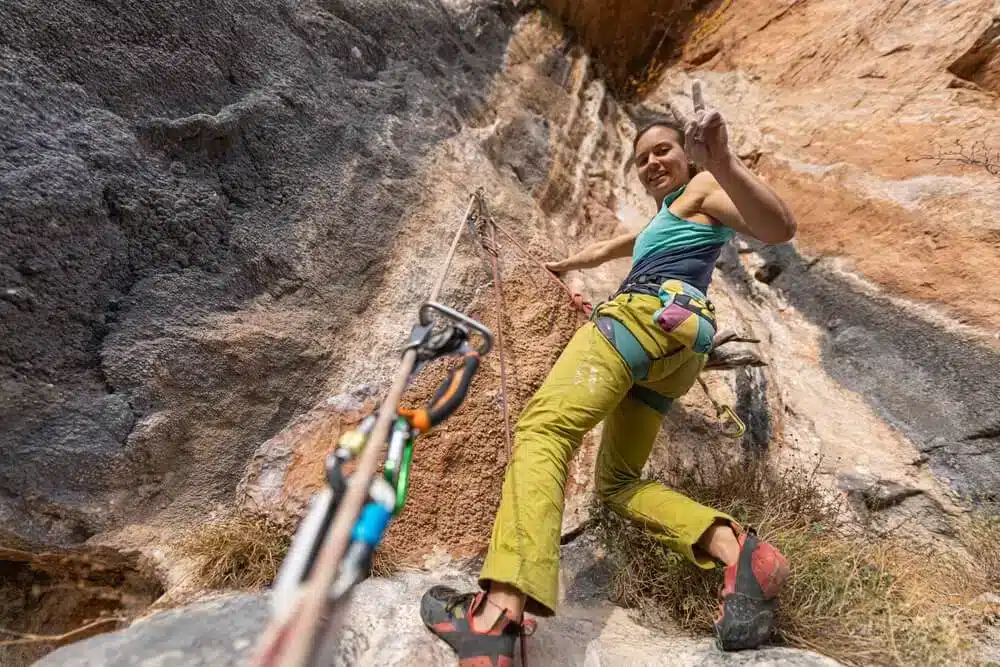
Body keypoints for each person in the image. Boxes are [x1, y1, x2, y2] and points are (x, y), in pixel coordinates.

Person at [420, 81, 798, 665]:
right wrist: (567, 266)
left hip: (641, 320)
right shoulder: (662, 221)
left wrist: (720, 162)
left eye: (663, 150)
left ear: (688, 155)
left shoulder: (702, 188)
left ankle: (496, 615)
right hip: (679, 347)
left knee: (545, 431)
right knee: (618, 484)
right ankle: (741, 553)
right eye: (642, 157)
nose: (652, 162)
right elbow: (608, 248)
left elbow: (777, 228)